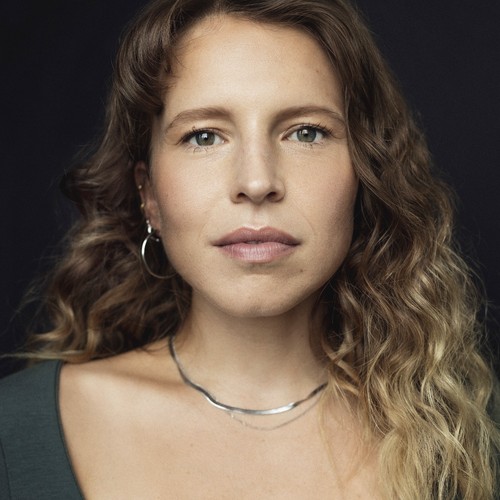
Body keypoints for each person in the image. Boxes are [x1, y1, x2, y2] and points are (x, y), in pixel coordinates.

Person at [1, 0, 498, 498]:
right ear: (149, 194)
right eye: (203, 136)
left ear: (366, 175)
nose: (257, 182)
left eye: (306, 133)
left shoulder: (469, 437)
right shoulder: (16, 430)